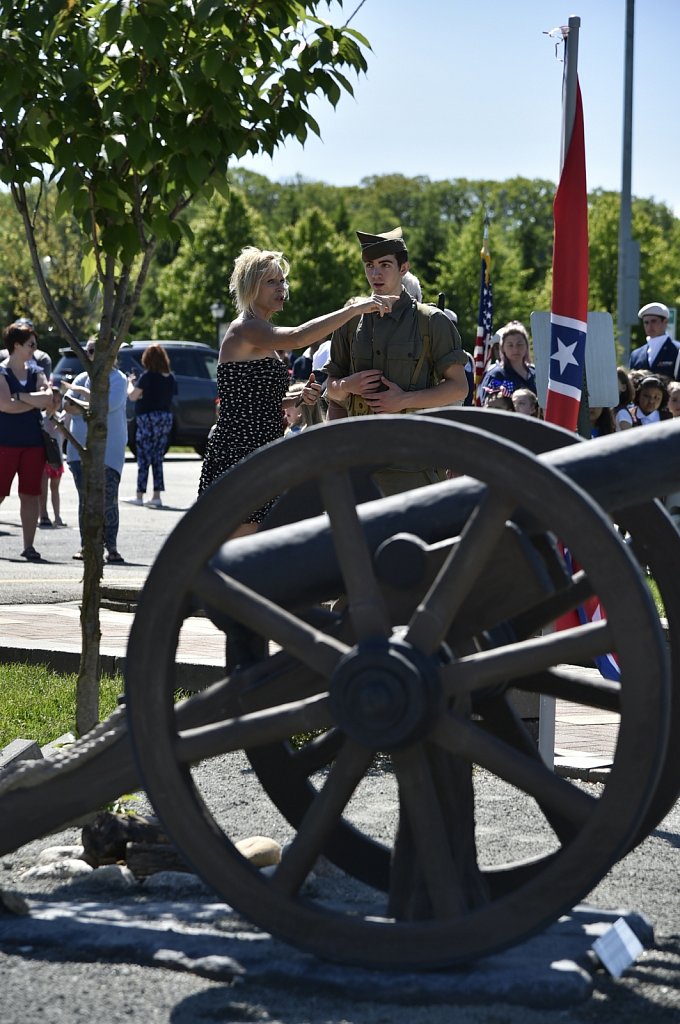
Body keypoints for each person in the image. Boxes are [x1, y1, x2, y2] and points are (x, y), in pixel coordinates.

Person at [198, 246, 391, 537]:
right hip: (239, 451)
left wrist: (297, 399)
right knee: (240, 550)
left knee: (257, 547)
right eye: (272, 282)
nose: (282, 288)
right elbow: (299, 336)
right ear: (251, 286)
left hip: (260, 451)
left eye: (282, 281)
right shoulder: (246, 329)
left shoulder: (260, 331)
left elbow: (254, 399)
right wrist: (353, 309)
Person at [324, 226, 468, 496]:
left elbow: (459, 387)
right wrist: (346, 385)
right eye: (370, 265)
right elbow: (330, 389)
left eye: (385, 265)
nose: (375, 274)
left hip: (413, 465)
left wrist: (404, 400)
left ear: (404, 268)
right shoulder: (350, 320)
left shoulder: (431, 321)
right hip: (359, 465)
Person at [0, 321, 61, 560]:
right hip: (5, 442)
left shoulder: (37, 371)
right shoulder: (1, 371)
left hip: (34, 443)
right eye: (31, 344)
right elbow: (4, 405)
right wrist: (31, 401)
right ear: (16, 345)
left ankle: (28, 546)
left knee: (30, 495)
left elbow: (48, 400)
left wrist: (20, 397)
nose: (35, 348)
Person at [64, 339, 128, 563]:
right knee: (85, 500)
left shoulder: (118, 379)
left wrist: (81, 396)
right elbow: (66, 405)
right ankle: (86, 546)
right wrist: (86, 402)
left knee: (108, 499)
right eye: (89, 351)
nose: (93, 355)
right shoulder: (83, 377)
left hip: (109, 452)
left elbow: (107, 406)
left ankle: (111, 547)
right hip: (79, 452)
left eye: (97, 350)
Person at [126, 343, 177, 507]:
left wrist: (130, 384)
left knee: (143, 457)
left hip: (147, 418)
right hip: (165, 419)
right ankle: (156, 495)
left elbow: (133, 397)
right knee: (157, 458)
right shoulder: (170, 377)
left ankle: (139, 495)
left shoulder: (147, 377)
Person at [479, 320, 537, 400]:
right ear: (502, 348)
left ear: (527, 346)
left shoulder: (535, 374)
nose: (515, 349)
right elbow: (488, 406)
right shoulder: (496, 376)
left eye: (519, 344)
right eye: (510, 345)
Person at [629, 302, 680, 380]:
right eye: (646, 322)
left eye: (654, 321)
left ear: (665, 322)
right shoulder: (636, 355)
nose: (649, 326)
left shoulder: (677, 350)